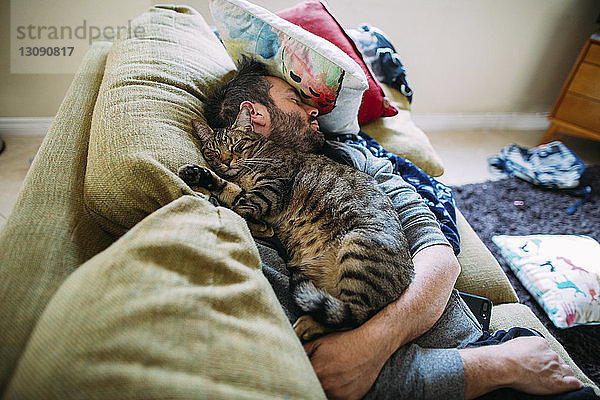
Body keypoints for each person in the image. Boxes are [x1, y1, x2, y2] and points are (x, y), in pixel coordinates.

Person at [202, 58, 591, 400]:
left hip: (469, 343)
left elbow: (436, 251)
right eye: (295, 99)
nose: (313, 108)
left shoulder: (352, 158)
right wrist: (496, 364)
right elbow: (319, 376)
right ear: (256, 116)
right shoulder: (240, 218)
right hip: (470, 364)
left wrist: (373, 342)